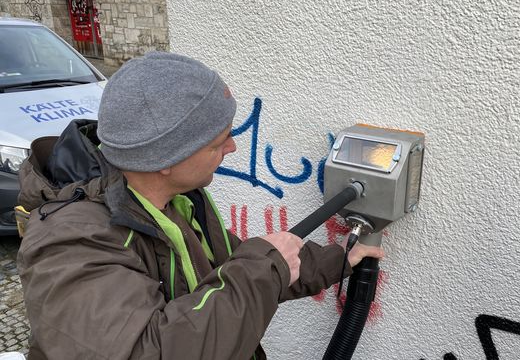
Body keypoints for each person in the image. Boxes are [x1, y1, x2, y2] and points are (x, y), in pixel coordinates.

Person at [17, 51, 383, 359]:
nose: (232, 149)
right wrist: (266, 267)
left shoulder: (179, 200)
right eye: (218, 142)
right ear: (165, 158)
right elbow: (149, 351)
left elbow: (233, 270)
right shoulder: (70, 243)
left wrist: (340, 259)